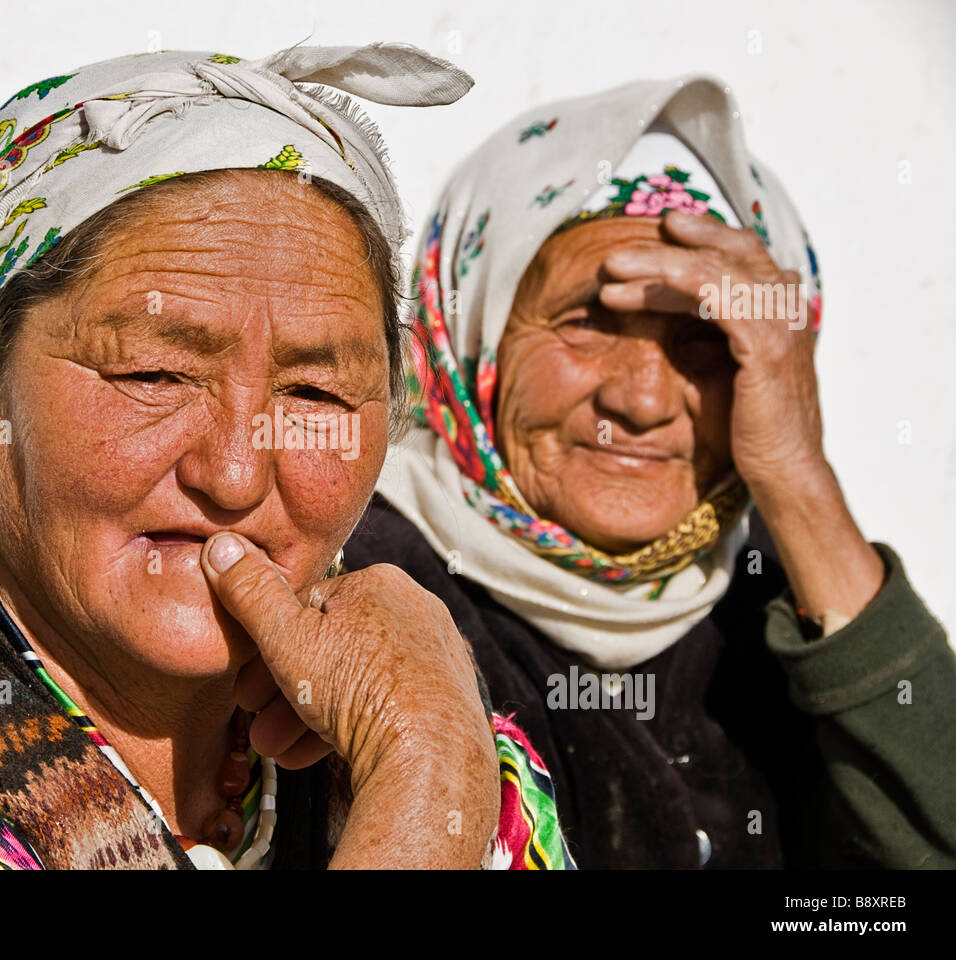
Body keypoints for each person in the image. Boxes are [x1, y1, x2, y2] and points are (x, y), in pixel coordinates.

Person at [0, 45, 574, 870]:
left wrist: (427, 747)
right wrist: (426, 790)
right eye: (154, 372)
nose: (235, 475)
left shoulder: (390, 713)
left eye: (315, 395)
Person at [346, 76, 956, 868]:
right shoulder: (362, 578)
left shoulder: (779, 586)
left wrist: (801, 483)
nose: (639, 400)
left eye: (703, 336)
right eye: (587, 322)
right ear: (476, 337)